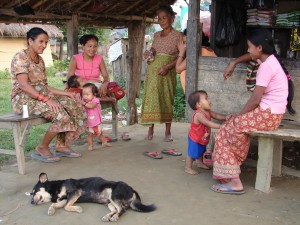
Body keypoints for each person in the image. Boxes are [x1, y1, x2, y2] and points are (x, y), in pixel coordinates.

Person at [210, 29, 296, 195]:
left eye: (249, 47)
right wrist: (234, 62)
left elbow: (255, 100)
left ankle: (234, 181)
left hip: (267, 116)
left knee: (225, 131)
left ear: (260, 48)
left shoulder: (266, 67)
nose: (248, 50)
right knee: (230, 128)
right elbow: (251, 57)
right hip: (270, 115)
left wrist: (239, 115)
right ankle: (230, 171)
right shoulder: (269, 60)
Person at [10, 27, 86, 162]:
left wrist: (67, 94)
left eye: (46, 42)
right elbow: (24, 85)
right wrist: (47, 100)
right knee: (60, 114)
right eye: (41, 42)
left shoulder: (41, 60)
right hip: (23, 100)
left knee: (73, 104)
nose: (44, 45)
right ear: (30, 41)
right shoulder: (20, 57)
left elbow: (44, 87)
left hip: (41, 96)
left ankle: (61, 145)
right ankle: (42, 147)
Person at [141, 5, 182, 143]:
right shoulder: (156, 35)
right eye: (159, 18)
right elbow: (153, 51)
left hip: (167, 73)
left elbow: (182, 56)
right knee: (151, 99)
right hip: (153, 72)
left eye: (165, 17)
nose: (162, 21)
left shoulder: (178, 36)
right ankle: (150, 130)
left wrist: (168, 66)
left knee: (166, 99)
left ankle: (168, 132)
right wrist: (149, 53)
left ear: (172, 18)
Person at [185, 90, 226, 175]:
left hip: (203, 137)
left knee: (202, 150)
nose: (210, 101)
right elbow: (208, 123)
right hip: (195, 138)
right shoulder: (198, 114)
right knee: (192, 153)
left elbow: (216, 115)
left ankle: (199, 162)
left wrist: (226, 117)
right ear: (199, 104)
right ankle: (188, 167)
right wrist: (220, 126)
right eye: (206, 99)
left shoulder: (208, 111)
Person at [67, 34, 115, 102]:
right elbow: (69, 77)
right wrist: (66, 90)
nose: (92, 49)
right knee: (75, 92)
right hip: (80, 89)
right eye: (90, 46)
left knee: (112, 88)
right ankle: (96, 99)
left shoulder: (99, 59)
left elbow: (106, 77)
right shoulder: (75, 58)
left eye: (95, 46)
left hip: (96, 88)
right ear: (83, 46)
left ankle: (95, 99)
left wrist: (104, 84)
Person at [81, 83, 112, 151]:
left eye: (87, 94)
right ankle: (90, 145)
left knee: (100, 133)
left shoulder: (95, 100)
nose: (85, 96)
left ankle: (104, 142)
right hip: (89, 122)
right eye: (83, 94)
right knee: (90, 135)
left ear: (94, 94)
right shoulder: (83, 101)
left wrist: (84, 103)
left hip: (97, 121)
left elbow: (92, 106)